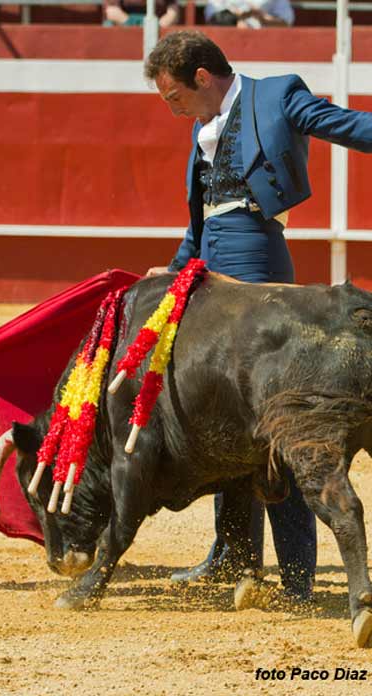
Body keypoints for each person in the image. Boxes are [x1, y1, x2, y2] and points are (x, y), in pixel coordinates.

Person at [143, 30, 372, 601]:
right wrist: (173, 271)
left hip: (257, 256)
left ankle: (296, 571)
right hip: (211, 263)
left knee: (276, 410)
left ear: (201, 76)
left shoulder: (276, 95)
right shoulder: (202, 128)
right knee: (220, 406)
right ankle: (233, 557)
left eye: (174, 97)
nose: (173, 110)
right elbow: (199, 221)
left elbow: (345, 124)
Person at [204, 0, 294, 28]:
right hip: (228, 42)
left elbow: (286, 22)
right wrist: (237, 17)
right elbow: (213, 19)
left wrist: (262, 18)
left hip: (265, 41)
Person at [103, 0, 179, 27]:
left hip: (158, 27)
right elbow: (112, 11)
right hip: (124, 28)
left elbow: (172, 12)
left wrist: (156, 27)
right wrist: (135, 24)